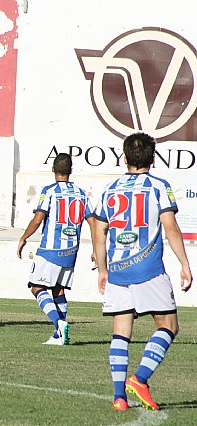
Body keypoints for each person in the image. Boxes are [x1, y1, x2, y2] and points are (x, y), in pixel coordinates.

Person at [93, 132, 192, 411]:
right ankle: (140, 379)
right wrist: (185, 264)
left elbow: (99, 233)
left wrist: (102, 269)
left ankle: (119, 397)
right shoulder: (158, 186)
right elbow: (170, 227)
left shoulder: (109, 189)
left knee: (121, 331)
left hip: (117, 270)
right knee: (168, 326)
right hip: (148, 269)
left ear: (125, 158)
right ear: (153, 158)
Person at [17, 153, 95, 345]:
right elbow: (93, 221)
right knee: (58, 290)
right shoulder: (81, 193)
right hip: (71, 251)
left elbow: (38, 219)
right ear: (71, 171)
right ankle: (58, 335)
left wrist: (23, 237)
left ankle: (58, 323)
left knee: (37, 288)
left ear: (53, 170)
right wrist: (95, 248)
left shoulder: (49, 191)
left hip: (50, 249)